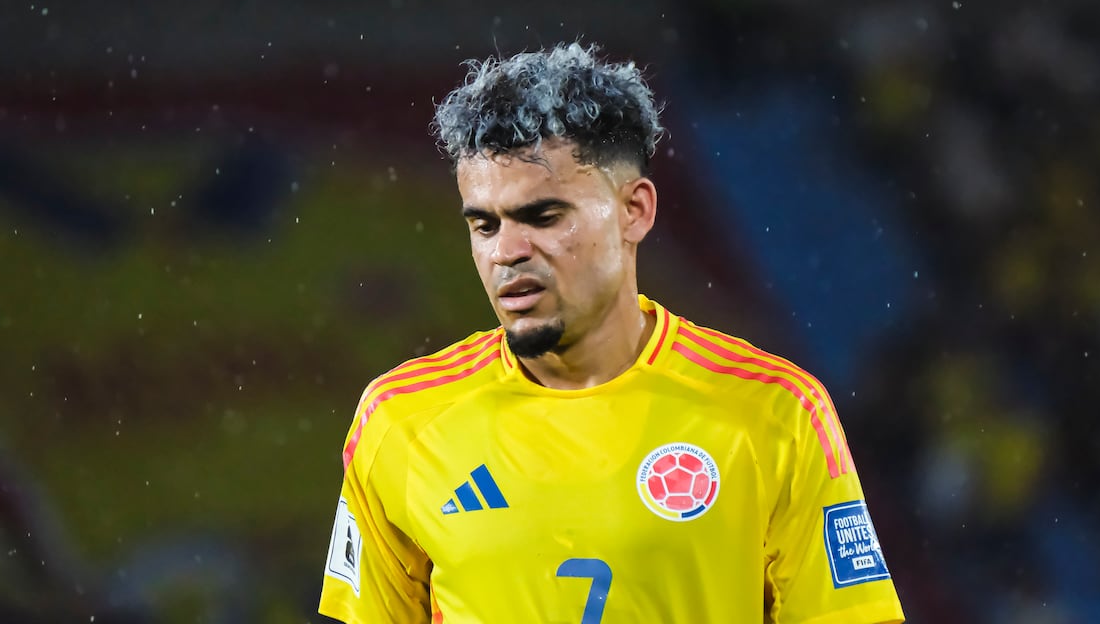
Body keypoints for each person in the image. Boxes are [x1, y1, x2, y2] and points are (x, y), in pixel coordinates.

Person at [319, 42, 905, 623]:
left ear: (635, 211)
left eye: (543, 217)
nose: (507, 252)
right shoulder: (401, 421)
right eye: (484, 225)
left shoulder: (772, 413)